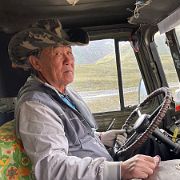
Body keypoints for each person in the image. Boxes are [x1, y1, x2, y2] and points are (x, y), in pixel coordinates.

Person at [8, 19, 160, 180]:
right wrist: (120, 170)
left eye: (69, 52)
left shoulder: (62, 92)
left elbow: (72, 138)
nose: (68, 60)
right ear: (36, 63)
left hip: (102, 164)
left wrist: (101, 137)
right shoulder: (35, 105)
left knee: (151, 144)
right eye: (58, 53)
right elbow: (51, 167)